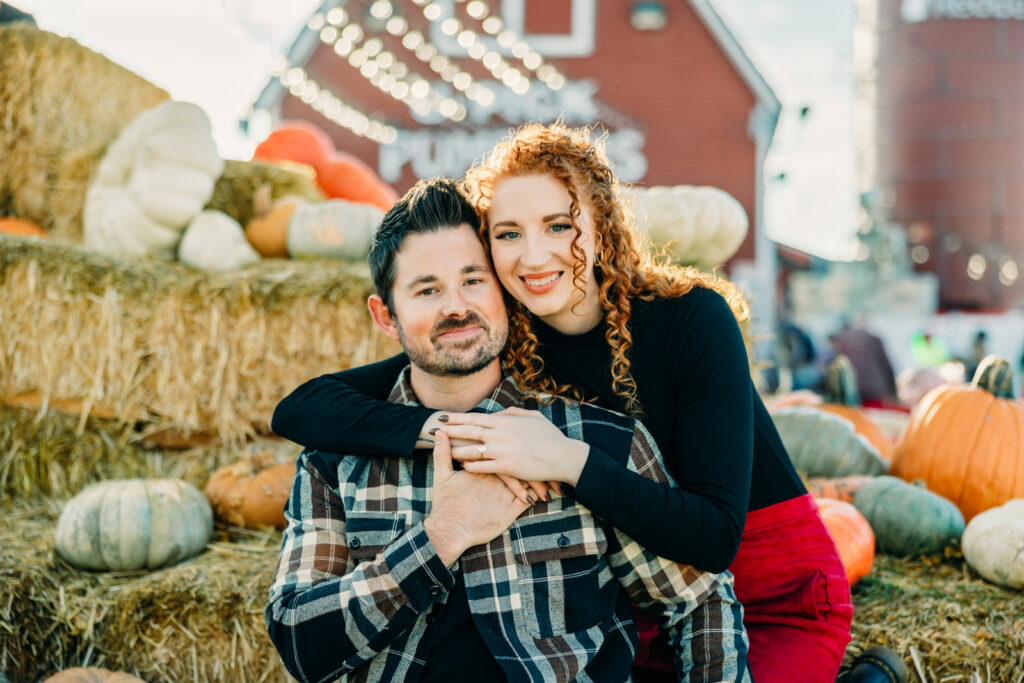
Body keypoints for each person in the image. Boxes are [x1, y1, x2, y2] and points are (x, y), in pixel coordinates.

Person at [272, 124, 853, 682]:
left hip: (766, 578)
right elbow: (305, 407)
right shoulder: (503, 334)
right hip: (645, 595)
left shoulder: (688, 319)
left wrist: (567, 460)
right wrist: (450, 440)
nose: (534, 256)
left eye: (558, 226)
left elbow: (715, 541)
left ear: (600, 226)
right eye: (508, 234)